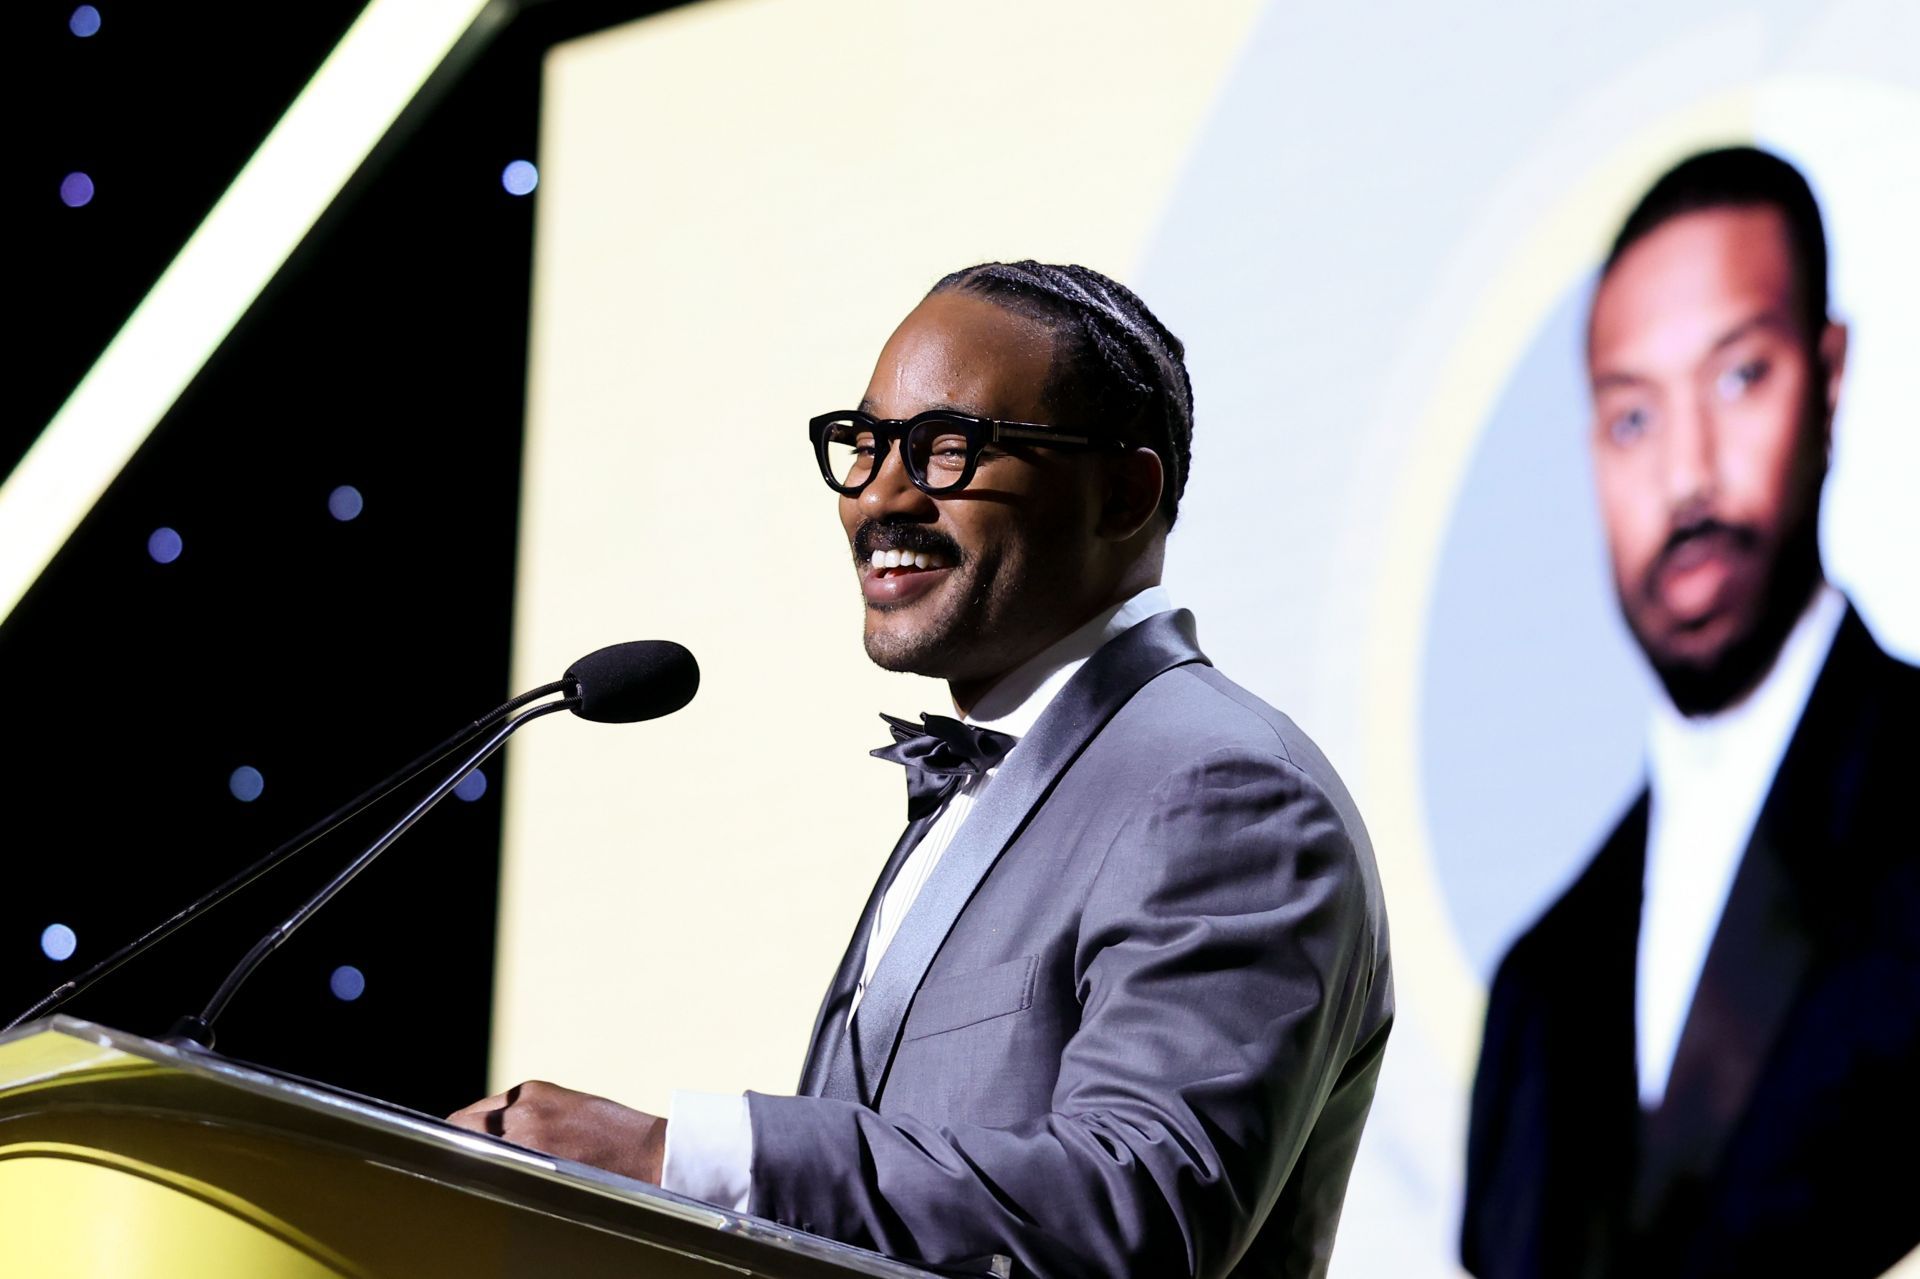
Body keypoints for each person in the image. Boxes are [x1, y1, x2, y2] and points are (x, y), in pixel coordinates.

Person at [451, 261, 1392, 1278]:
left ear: (1124, 493)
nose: (879, 497)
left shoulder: (1226, 789)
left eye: (949, 447)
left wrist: (674, 1156)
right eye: (863, 446)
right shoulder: (998, 774)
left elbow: (1142, 1208)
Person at [1462, 148, 1920, 1277]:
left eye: (1737, 378)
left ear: (1830, 375)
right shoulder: (1535, 995)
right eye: (1632, 420)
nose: (1687, 478)